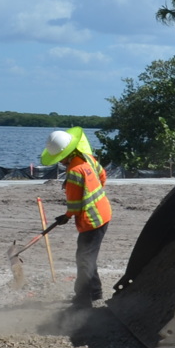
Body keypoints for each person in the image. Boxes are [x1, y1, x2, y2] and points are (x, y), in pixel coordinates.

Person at [40, 127, 113, 307]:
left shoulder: (74, 172)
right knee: (88, 256)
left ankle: (82, 302)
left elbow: (74, 203)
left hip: (92, 220)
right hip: (104, 212)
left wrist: (66, 216)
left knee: (84, 259)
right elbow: (102, 176)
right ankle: (96, 293)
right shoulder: (87, 158)